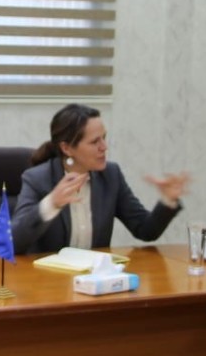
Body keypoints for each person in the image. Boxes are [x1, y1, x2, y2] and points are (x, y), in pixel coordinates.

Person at [12, 103, 190, 254]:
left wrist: (168, 200)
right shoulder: (37, 179)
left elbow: (145, 230)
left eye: (104, 138)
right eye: (94, 142)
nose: (104, 147)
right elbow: (13, 242)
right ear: (67, 148)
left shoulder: (111, 176)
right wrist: (51, 203)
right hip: (47, 279)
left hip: (95, 279)